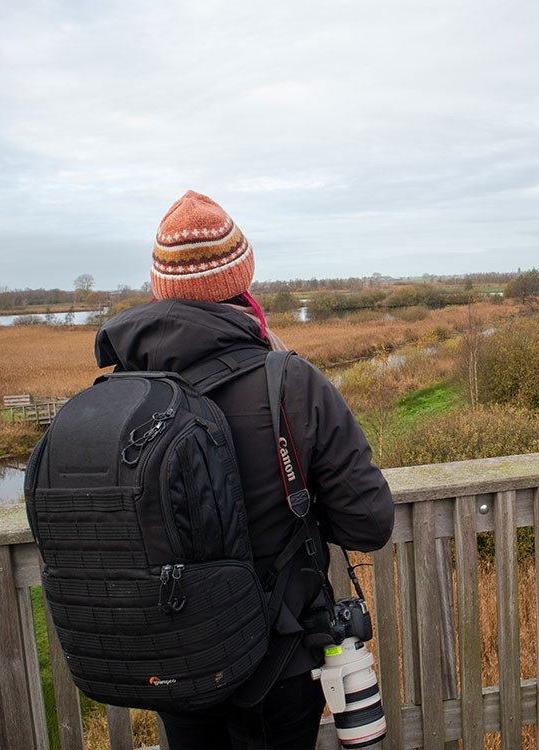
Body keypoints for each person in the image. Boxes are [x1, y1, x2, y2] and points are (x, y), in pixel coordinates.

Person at [93, 190, 395, 749]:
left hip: (172, 660)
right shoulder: (289, 383)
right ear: (242, 278)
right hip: (277, 661)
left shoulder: (121, 390)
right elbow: (369, 524)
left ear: (163, 289)